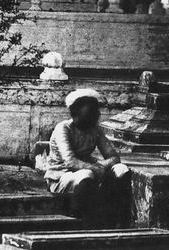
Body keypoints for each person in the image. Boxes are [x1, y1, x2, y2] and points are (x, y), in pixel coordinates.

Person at [42, 88, 131, 223]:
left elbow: (113, 157)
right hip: (61, 176)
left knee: (121, 169)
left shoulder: (95, 129)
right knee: (86, 175)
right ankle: (84, 221)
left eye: (96, 110)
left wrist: (99, 166)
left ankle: (116, 217)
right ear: (77, 111)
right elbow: (70, 162)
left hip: (91, 172)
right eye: (91, 110)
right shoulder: (63, 128)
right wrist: (95, 168)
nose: (97, 114)